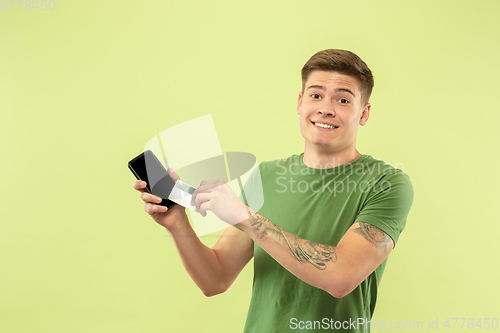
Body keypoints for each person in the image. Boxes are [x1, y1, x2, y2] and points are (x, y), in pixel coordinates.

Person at [132, 49, 414, 332]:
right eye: (316, 95)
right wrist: (177, 222)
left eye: (343, 100)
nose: (326, 108)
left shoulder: (387, 183)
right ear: (300, 103)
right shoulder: (265, 176)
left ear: (363, 113)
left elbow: (341, 278)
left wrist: (245, 217)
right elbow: (215, 279)